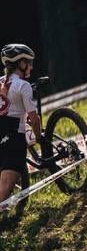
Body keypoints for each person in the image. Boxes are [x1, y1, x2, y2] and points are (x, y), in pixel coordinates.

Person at [0, 44, 44, 206]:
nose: (31, 67)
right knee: (4, 190)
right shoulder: (23, 86)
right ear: (21, 64)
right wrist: (39, 137)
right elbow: (34, 119)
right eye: (29, 62)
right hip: (14, 140)